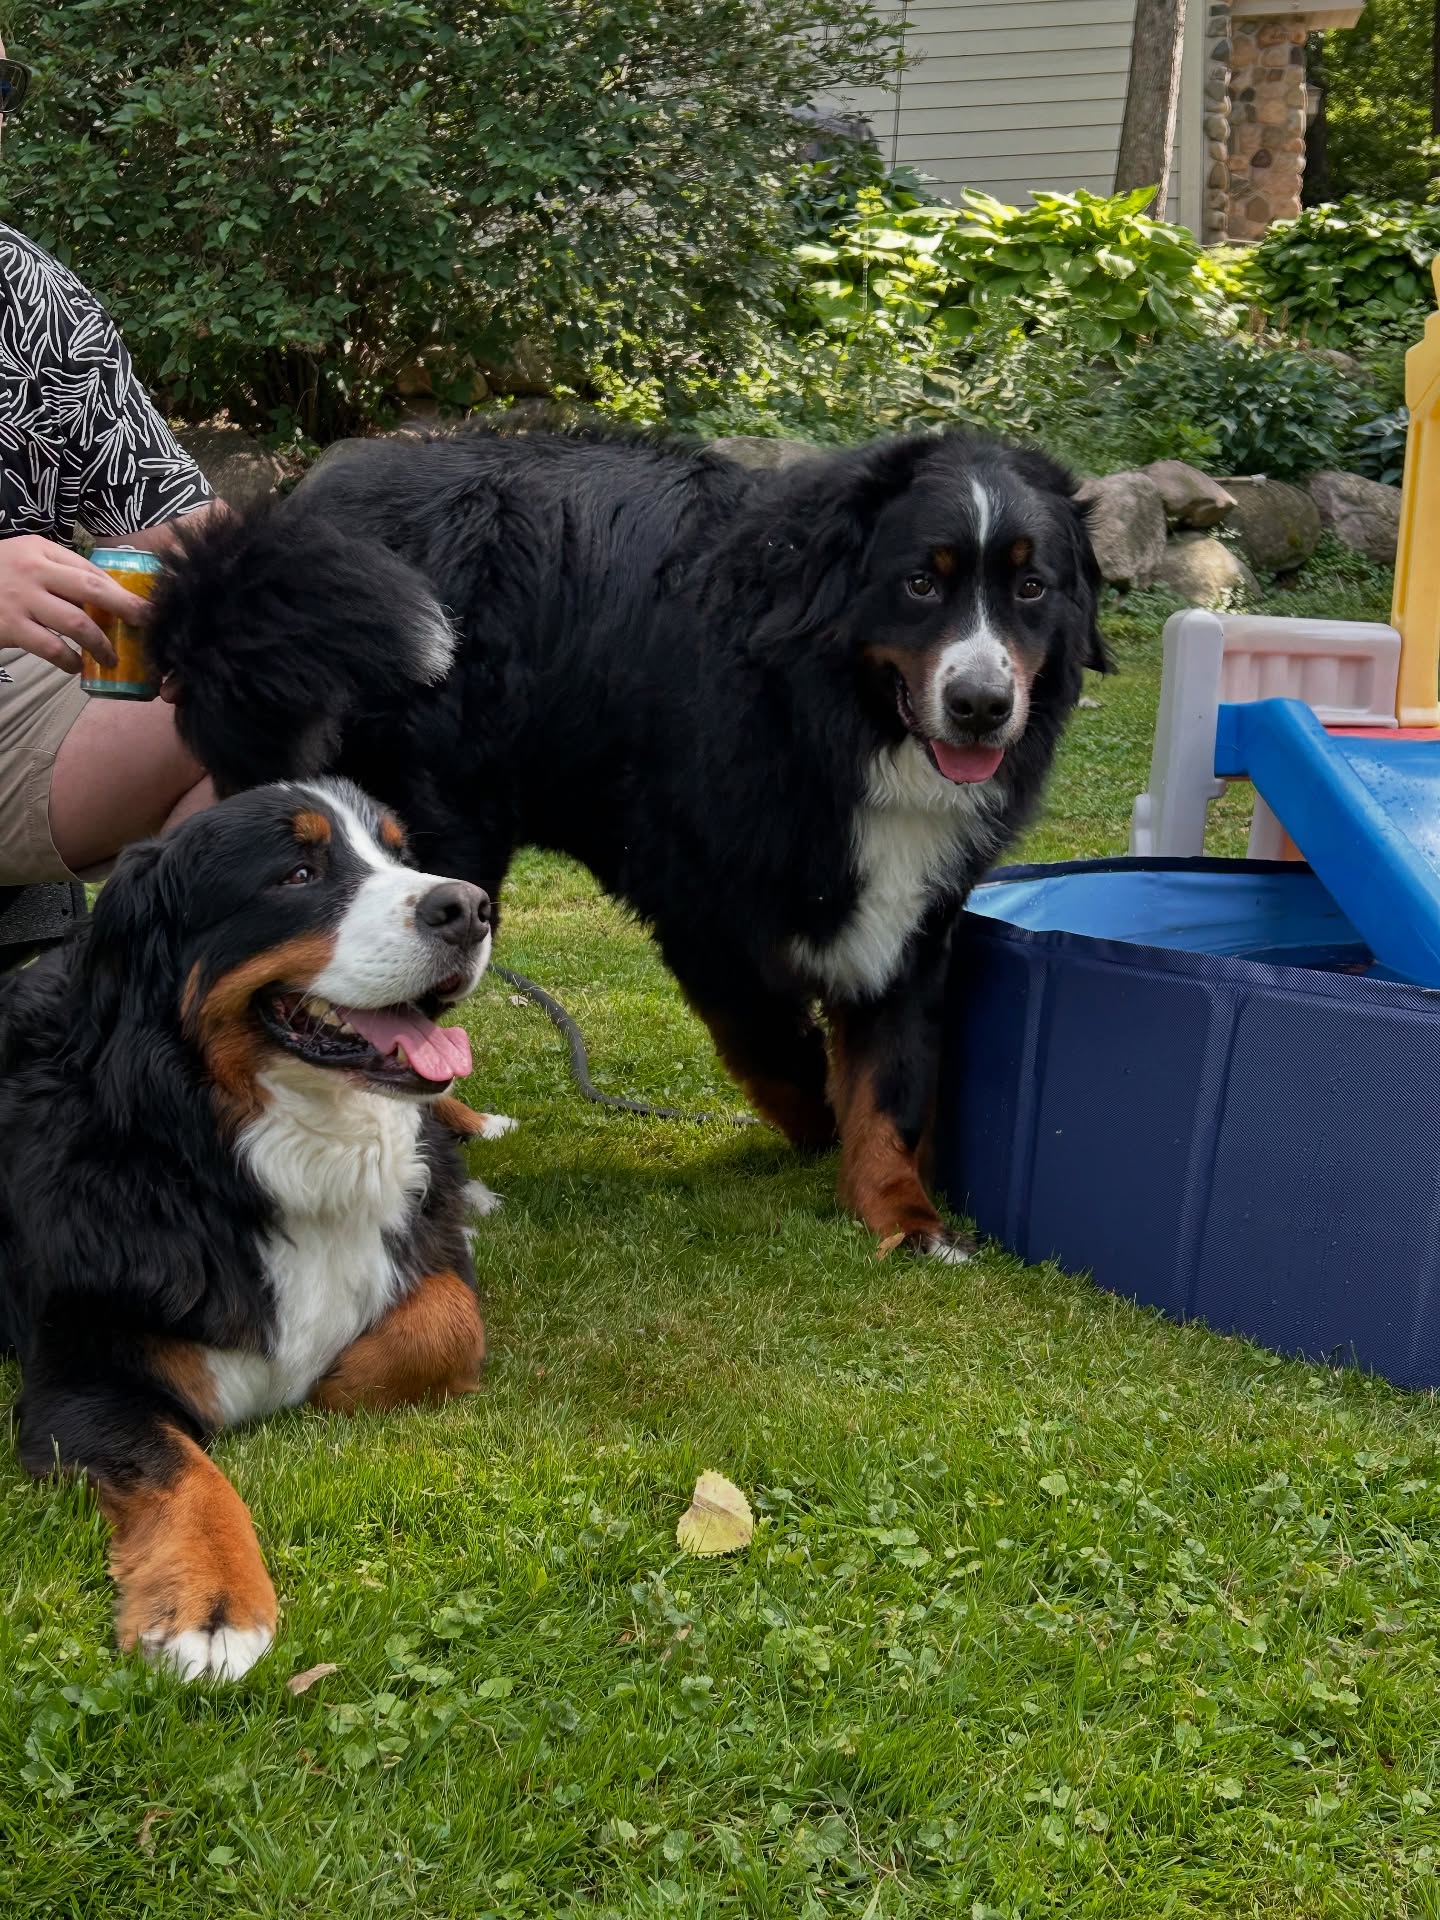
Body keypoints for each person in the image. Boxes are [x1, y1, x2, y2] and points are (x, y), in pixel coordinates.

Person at [0, 37, 224, 885]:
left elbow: (178, 520)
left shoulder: (23, 290)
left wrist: (270, 591)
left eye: (0, 81)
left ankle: (167, 1009)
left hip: (41, 687)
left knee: (283, 687)